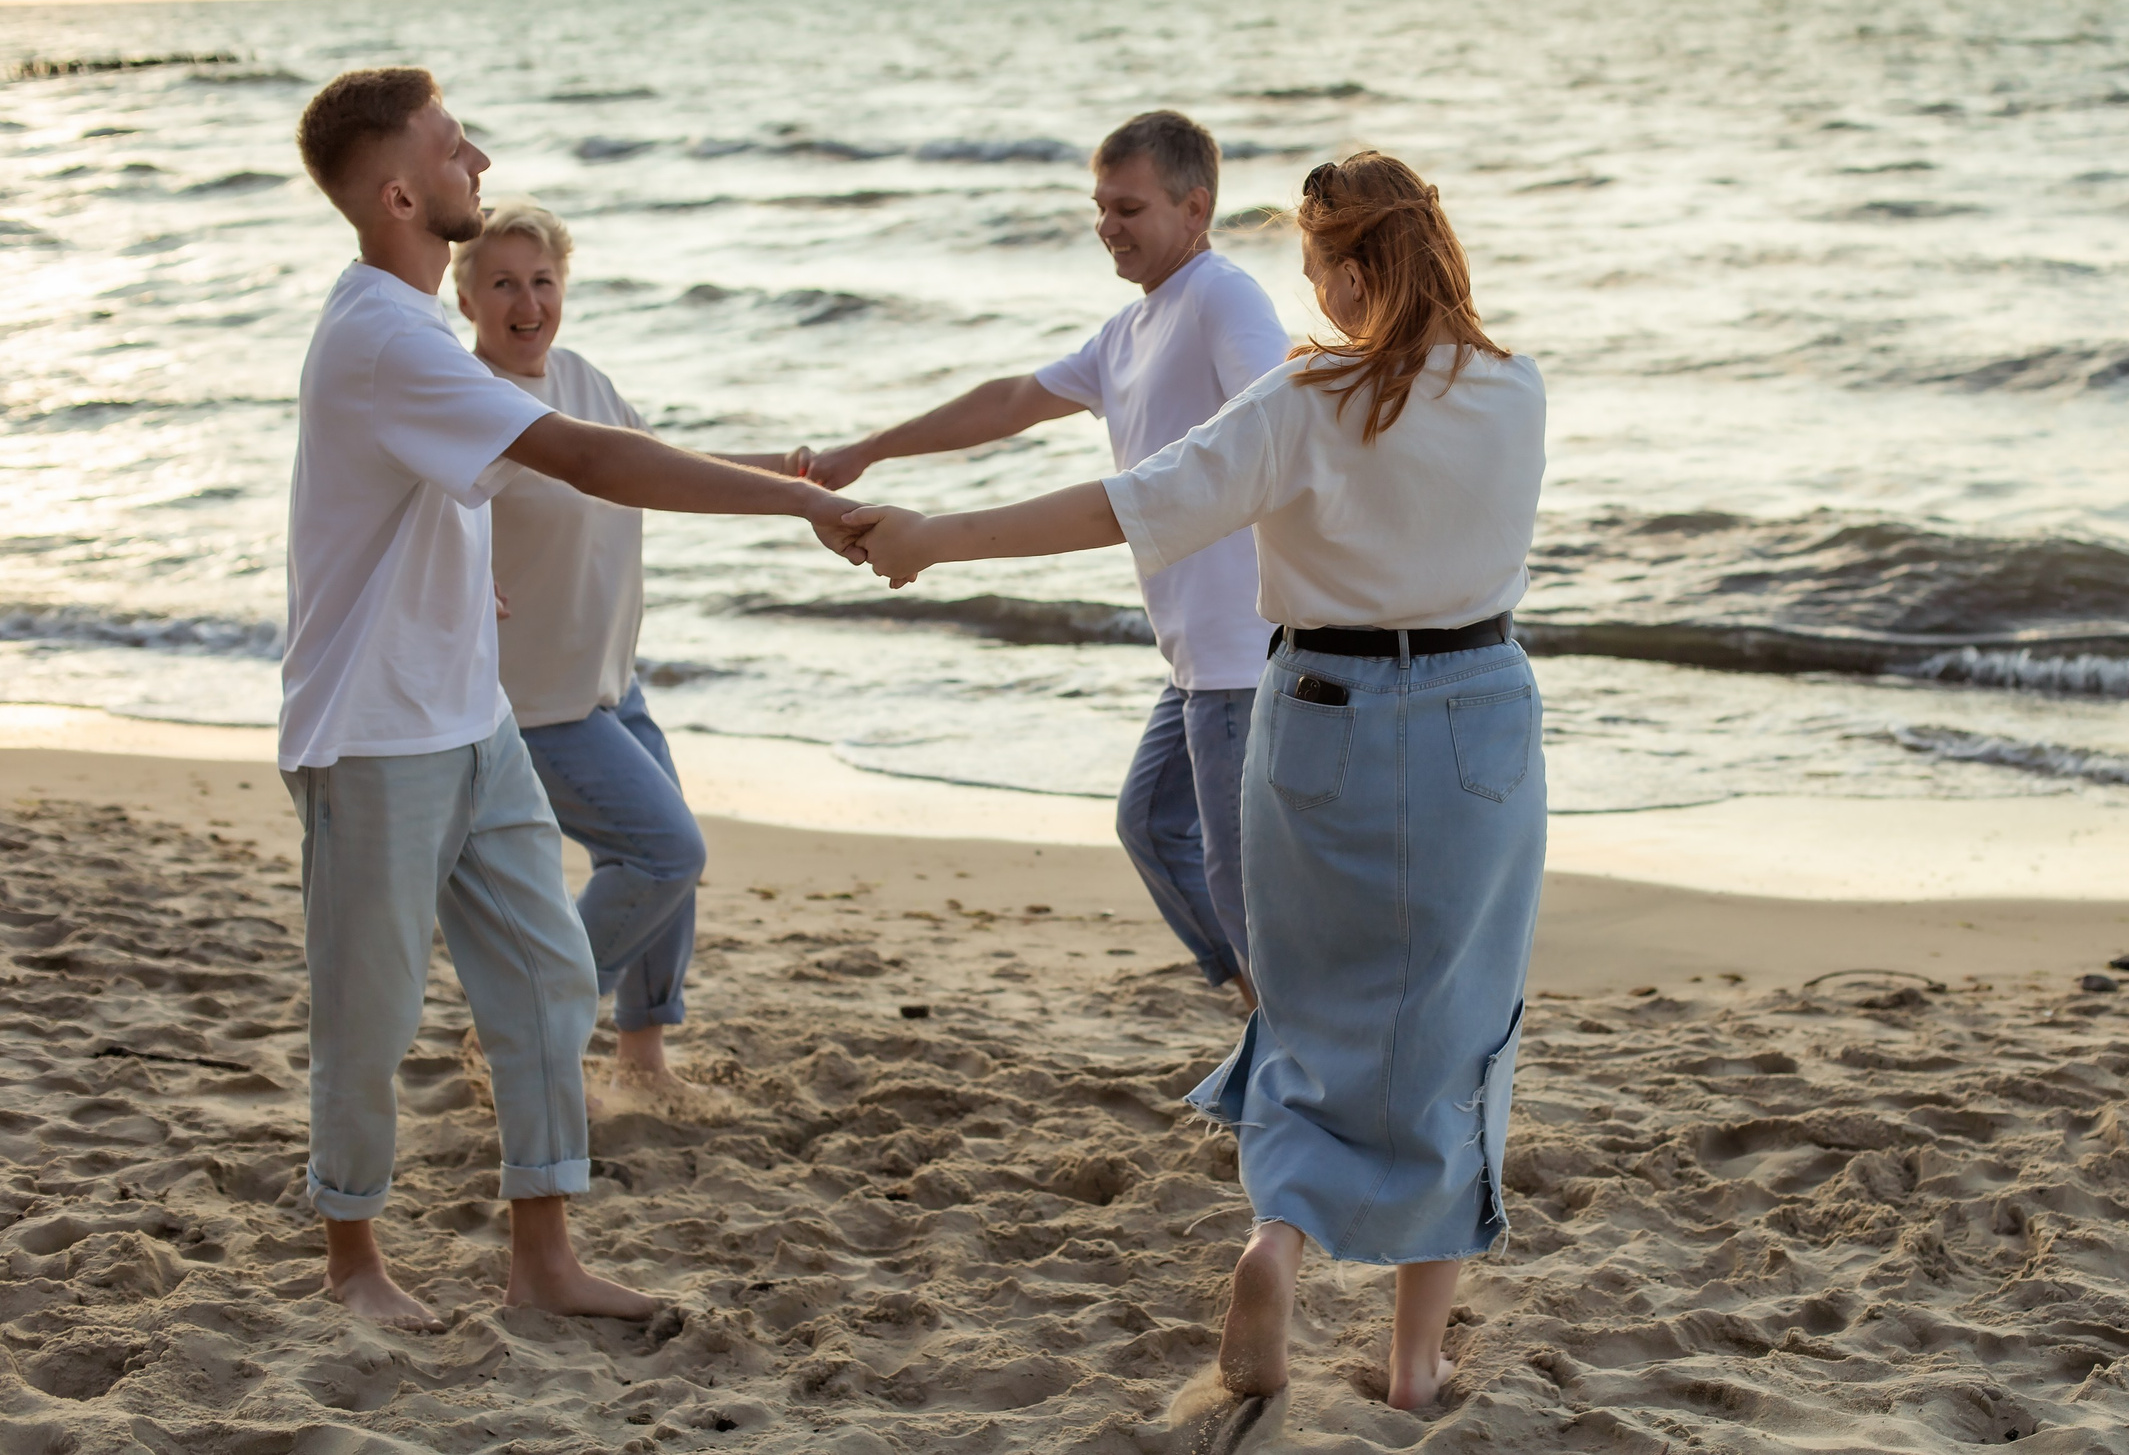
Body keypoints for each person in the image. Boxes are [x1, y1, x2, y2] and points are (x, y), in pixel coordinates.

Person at [841, 151, 1547, 1414]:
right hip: (1476, 720)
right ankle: (1415, 1363)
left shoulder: (1302, 398)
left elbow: (1135, 502)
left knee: (1301, 1006)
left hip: (1319, 715)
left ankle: (1273, 1245)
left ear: (1342, 267)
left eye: (1315, 269)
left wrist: (939, 533)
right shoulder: (1514, 389)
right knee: (1457, 1018)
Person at [282, 67, 862, 1331]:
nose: (477, 159)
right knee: (368, 1013)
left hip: (472, 716)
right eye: (451, 147)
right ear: (396, 191)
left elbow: (432, 496)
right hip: (375, 733)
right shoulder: (383, 337)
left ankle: (541, 1260)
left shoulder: (417, 334)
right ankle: (352, 1268)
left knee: (547, 986)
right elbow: (587, 461)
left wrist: (460, 582)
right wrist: (805, 499)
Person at [807, 110, 1287, 1007]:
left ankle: (1289, 1040)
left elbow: (1281, 418)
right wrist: (871, 448)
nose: (1107, 224)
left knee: (1241, 887)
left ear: (1196, 207)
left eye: (1129, 206)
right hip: (1194, 658)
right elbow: (1011, 400)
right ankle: (1269, 1010)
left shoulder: (1223, 296)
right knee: (1151, 825)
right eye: (1100, 205)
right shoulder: (1129, 330)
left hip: (1243, 649)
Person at [455, 199, 822, 1094]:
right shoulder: (466, 404)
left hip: (612, 683)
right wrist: (460, 581)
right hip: (534, 704)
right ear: (463, 294)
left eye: (543, 281)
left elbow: (653, 463)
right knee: (664, 854)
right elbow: (412, 520)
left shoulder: (580, 377)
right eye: (502, 281)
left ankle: (642, 1057)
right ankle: (527, 1020)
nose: (527, 301)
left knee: (669, 868)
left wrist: (781, 471)